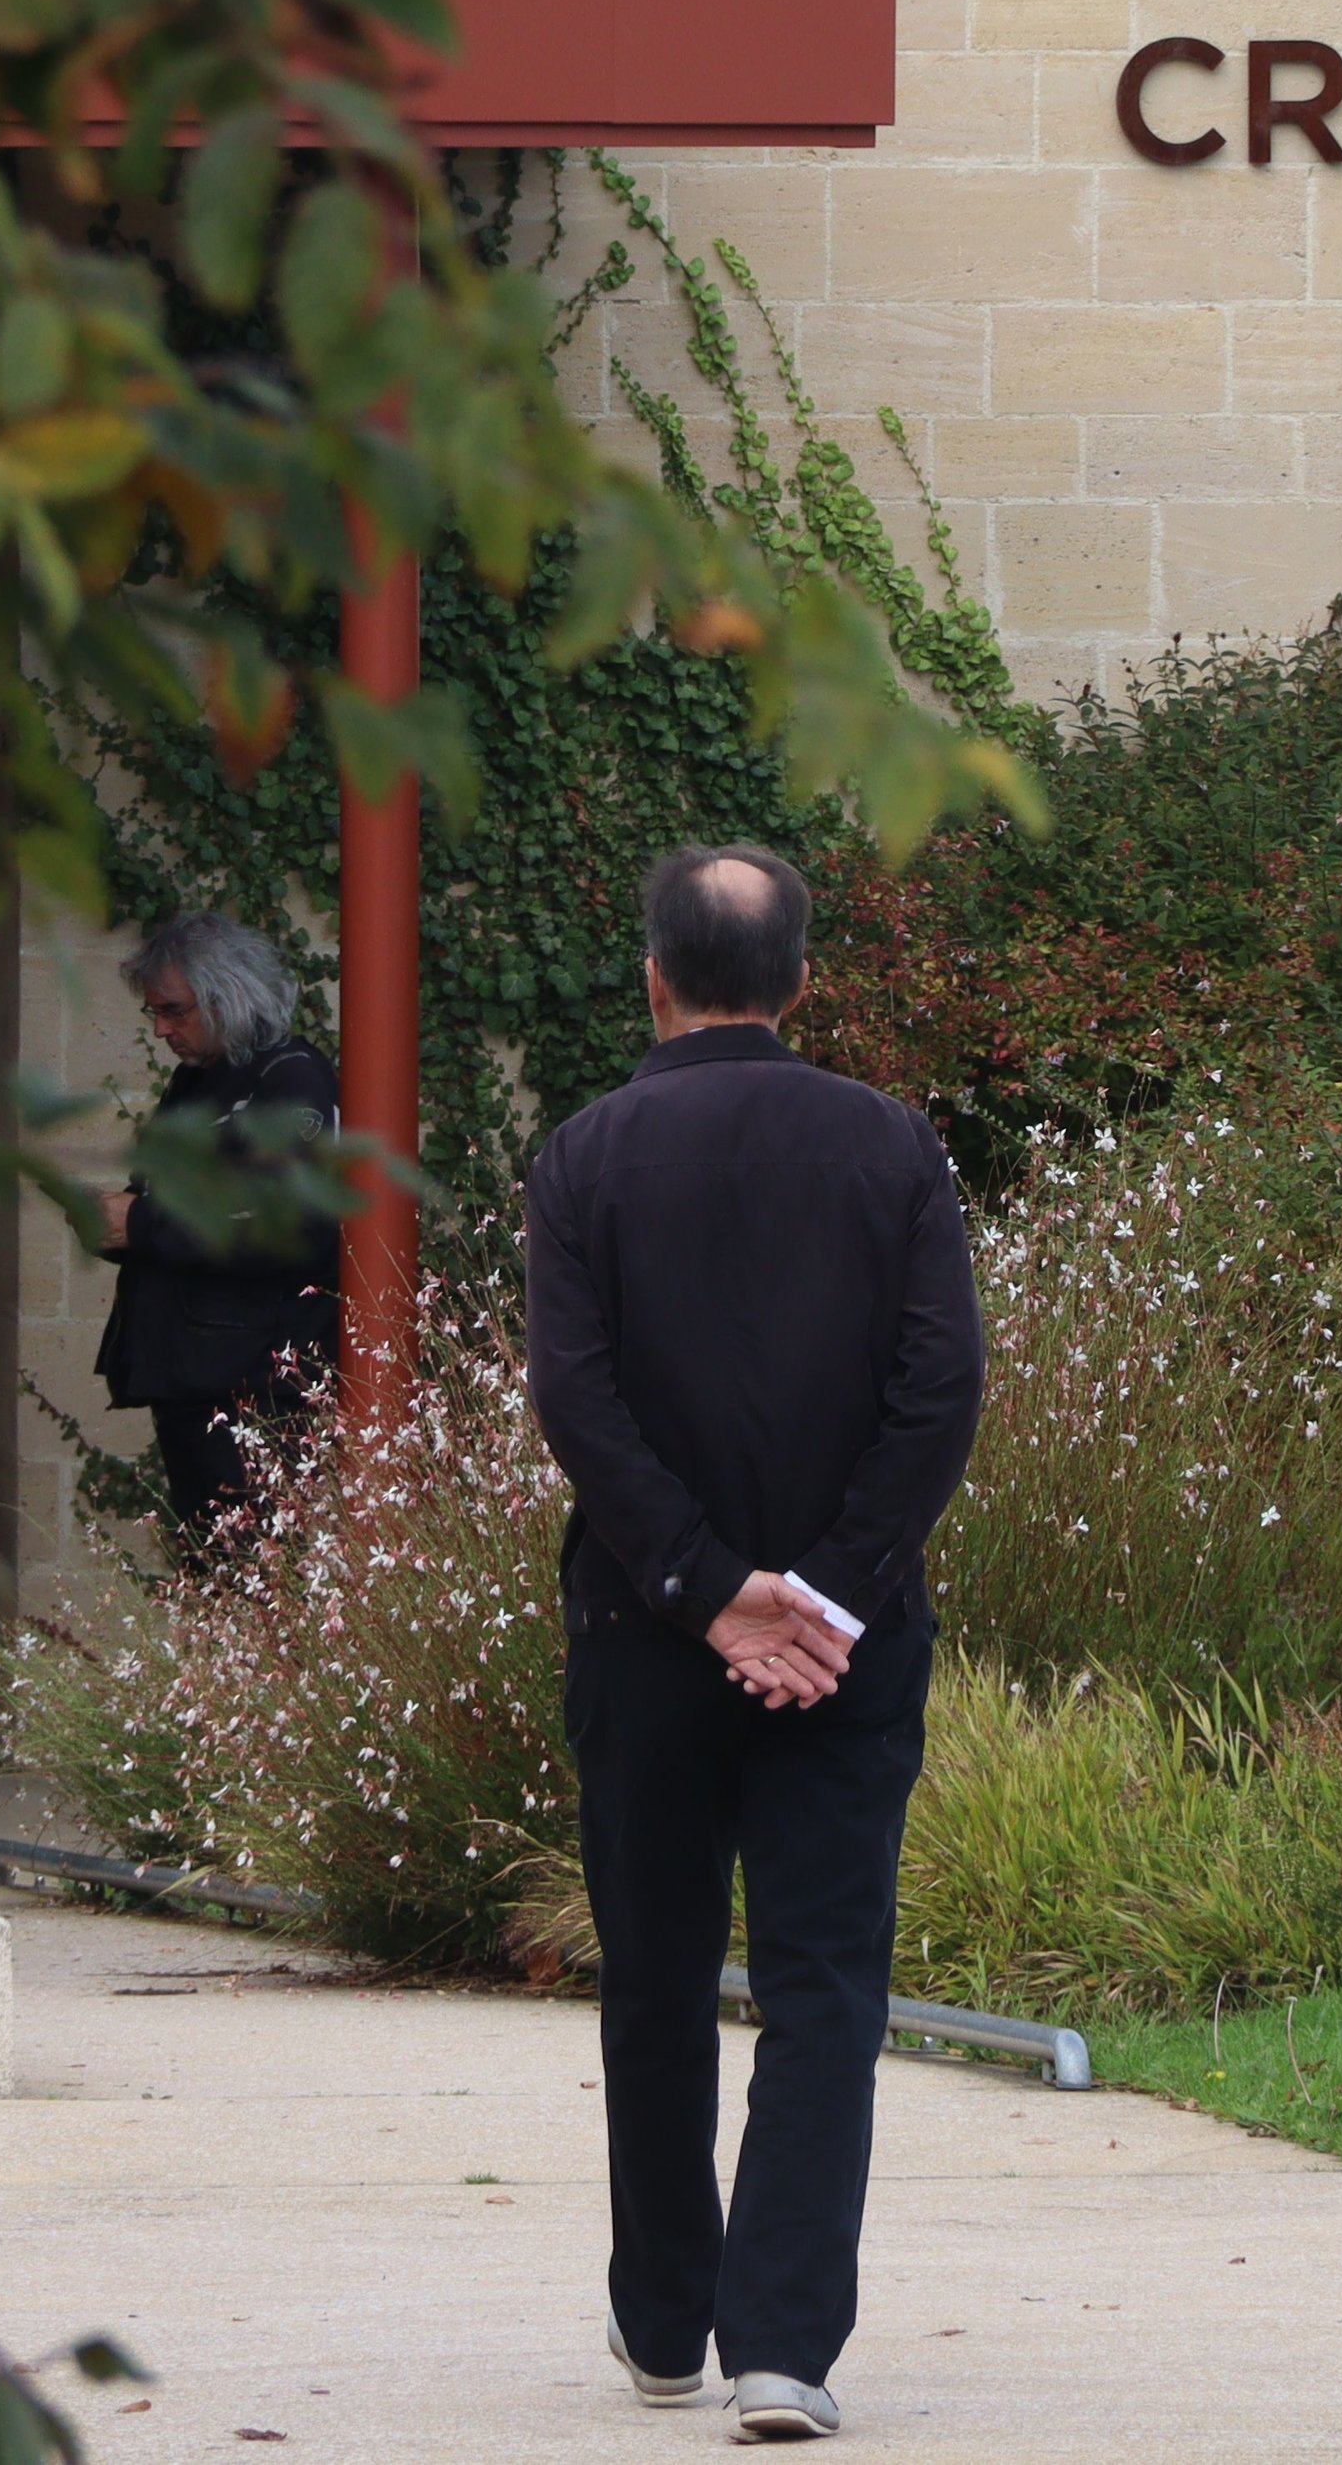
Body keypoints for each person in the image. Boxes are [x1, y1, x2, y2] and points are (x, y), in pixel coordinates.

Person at [523, 844, 985, 2446]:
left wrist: (710, 1586)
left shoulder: (585, 1155)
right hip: (846, 1649)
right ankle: (782, 2346)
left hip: (648, 1635)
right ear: (800, 980)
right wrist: (830, 1595)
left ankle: (663, 2325)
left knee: (652, 1974)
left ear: (654, 975)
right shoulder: (891, 1146)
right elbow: (941, 1393)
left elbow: (574, 1399)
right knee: (823, 1983)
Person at [88, 912, 341, 1565]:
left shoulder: (291, 1080)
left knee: (261, 1584)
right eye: (154, 1012)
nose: (161, 1028)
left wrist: (139, 1223)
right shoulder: (199, 1078)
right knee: (212, 1579)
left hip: (255, 1389)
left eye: (173, 1009)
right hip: (197, 1378)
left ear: (227, 994)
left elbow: (279, 1226)